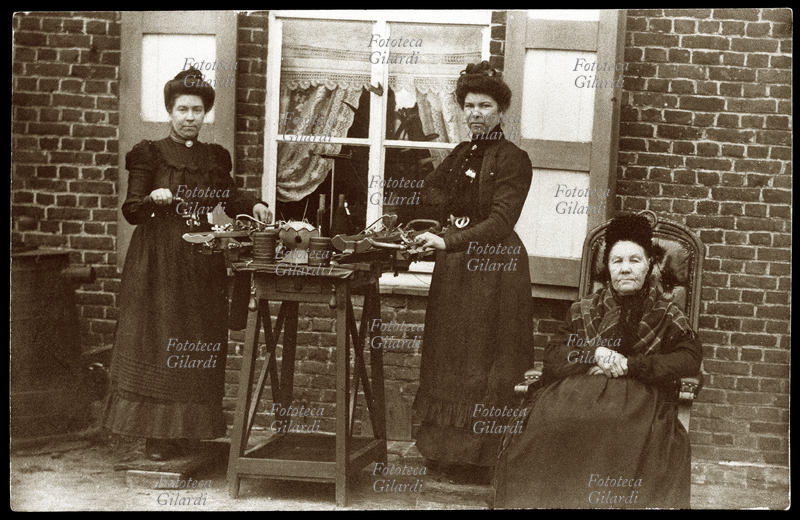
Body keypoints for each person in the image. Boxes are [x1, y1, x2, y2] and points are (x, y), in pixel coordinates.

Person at [103, 68, 272, 461]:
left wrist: (255, 204)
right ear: (170, 111)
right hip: (158, 262)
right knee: (160, 341)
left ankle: (189, 432)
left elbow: (229, 197)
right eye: (182, 109)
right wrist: (153, 199)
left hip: (202, 262)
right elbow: (131, 209)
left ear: (205, 113)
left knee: (198, 341)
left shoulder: (214, 157)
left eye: (197, 110)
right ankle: (157, 437)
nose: (190, 117)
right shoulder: (149, 153)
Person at [493, 213, 703, 509]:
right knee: (549, 424)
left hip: (638, 399)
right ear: (608, 267)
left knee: (620, 428)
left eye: (634, 260)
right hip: (574, 394)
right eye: (617, 261)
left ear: (649, 264)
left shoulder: (667, 313)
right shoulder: (584, 309)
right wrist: (594, 354)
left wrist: (633, 365)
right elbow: (553, 356)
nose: (625, 268)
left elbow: (689, 358)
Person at [412, 61, 535, 483]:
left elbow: (501, 222)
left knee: (485, 362)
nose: (476, 113)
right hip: (456, 270)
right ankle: (445, 453)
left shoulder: (514, 159)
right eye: (469, 106)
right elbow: (432, 197)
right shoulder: (459, 155)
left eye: (485, 106)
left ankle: (482, 459)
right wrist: (421, 224)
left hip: (496, 271)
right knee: (449, 356)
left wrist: (448, 241)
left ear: (501, 111)